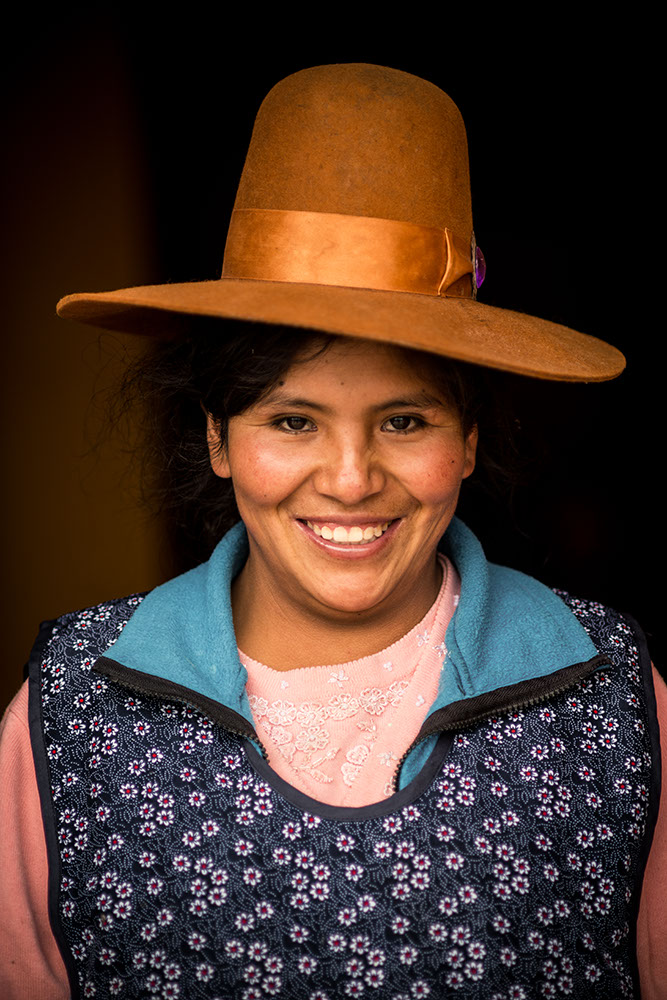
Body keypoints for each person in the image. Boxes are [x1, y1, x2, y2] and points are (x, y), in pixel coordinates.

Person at [0, 63, 664, 999]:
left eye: (404, 422)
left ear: (467, 441)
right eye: (292, 421)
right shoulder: (72, 702)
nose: (350, 481)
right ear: (217, 439)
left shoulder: (610, 687)